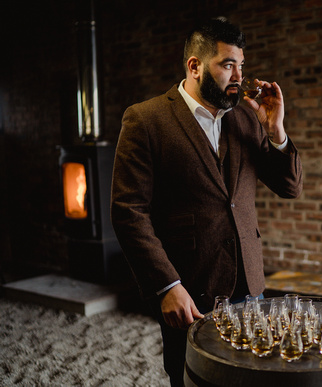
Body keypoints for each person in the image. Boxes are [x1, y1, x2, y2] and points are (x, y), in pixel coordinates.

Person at [110, 17, 302, 386]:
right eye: (228, 64)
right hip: (191, 292)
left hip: (251, 286)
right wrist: (167, 286)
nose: (238, 75)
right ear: (194, 66)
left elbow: (290, 187)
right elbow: (129, 212)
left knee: (255, 378)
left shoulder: (247, 116)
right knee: (195, 380)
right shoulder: (146, 119)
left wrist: (276, 130)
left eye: (241, 66)